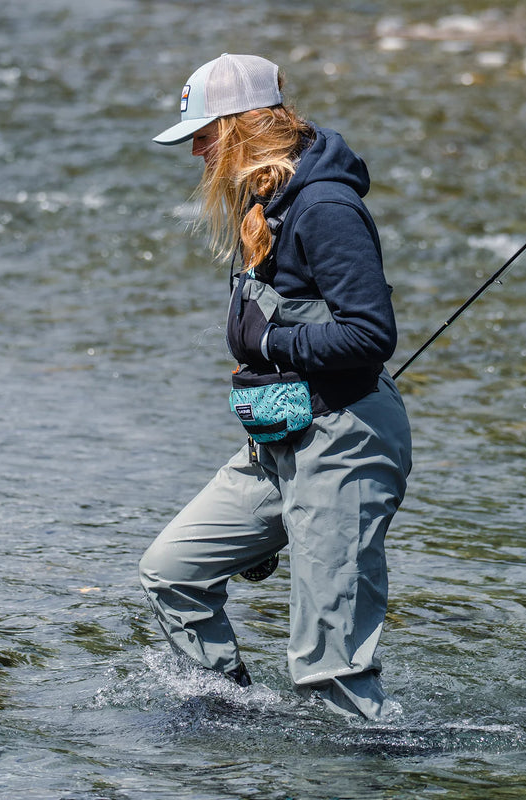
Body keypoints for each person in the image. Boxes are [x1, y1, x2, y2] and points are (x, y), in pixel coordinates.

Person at [139, 53, 412, 719]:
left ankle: (367, 766)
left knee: (328, 675)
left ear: (242, 128)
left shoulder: (323, 206)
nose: (197, 151)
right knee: (174, 572)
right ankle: (229, 723)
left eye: (203, 135)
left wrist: (270, 343)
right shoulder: (264, 203)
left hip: (345, 440)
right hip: (280, 444)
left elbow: (370, 336)